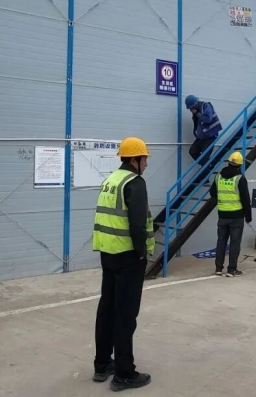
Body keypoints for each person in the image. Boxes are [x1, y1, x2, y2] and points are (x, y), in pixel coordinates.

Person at [92, 136, 154, 392]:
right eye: (145, 159)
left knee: (107, 309)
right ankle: (124, 374)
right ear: (135, 159)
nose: (146, 164)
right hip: (128, 257)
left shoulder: (111, 180)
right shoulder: (135, 183)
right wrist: (142, 254)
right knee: (125, 315)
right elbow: (137, 224)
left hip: (108, 253)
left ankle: (102, 364)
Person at [209, 151, 252, 277]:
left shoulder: (218, 176)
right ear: (239, 165)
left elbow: (212, 193)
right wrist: (248, 216)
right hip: (236, 216)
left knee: (221, 241)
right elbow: (245, 199)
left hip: (222, 215)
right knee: (234, 243)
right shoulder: (240, 179)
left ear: (228, 162)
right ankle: (232, 269)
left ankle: (218, 268)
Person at [186, 94, 222, 171]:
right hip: (201, 137)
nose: (190, 110)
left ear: (195, 105)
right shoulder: (196, 112)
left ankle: (206, 173)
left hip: (210, 136)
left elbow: (207, 119)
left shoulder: (206, 106)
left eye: (191, 107)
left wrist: (196, 113)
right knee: (193, 152)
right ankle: (208, 164)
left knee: (205, 157)